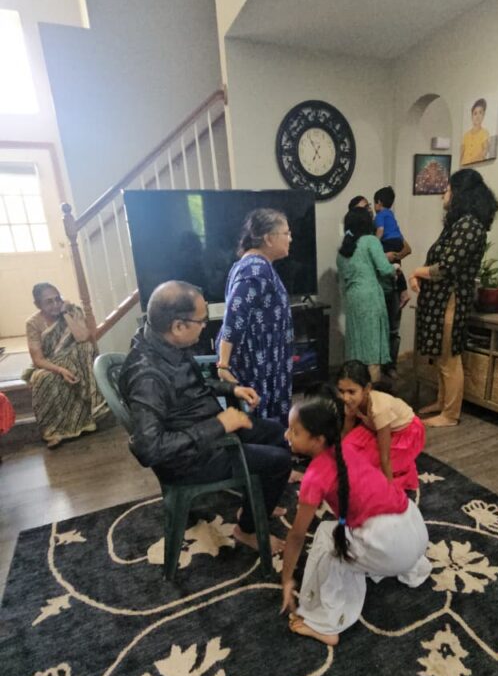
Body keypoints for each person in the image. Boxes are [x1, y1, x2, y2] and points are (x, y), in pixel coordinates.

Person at [120, 281, 291, 552]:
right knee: (280, 461)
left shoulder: (163, 342)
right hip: (190, 459)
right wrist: (219, 425)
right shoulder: (147, 377)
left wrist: (231, 389)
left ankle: (256, 504)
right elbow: (149, 449)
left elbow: (191, 386)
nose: (205, 326)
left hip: (206, 430)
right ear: (178, 326)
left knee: (278, 433)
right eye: (201, 321)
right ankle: (247, 530)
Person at [280, 396, 430, 645]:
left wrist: (287, 580)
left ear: (318, 440)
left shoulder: (315, 477)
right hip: (415, 534)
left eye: (294, 431)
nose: (287, 435)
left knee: (325, 535)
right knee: (347, 526)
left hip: (392, 548)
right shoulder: (348, 449)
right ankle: (402, 567)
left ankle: (325, 623)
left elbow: (296, 536)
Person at [409, 168, 498, 428]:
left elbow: (446, 268)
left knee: (449, 358)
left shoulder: (470, 226)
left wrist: (417, 271)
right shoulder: (458, 224)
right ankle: (442, 402)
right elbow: (439, 262)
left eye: (448, 189)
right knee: (441, 357)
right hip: (439, 300)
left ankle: (450, 414)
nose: (443, 195)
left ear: (460, 193)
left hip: (451, 300)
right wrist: (419, 275)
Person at [216, 209, 294, 424]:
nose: (290, 238)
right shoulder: (255, 267)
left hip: (264, 359)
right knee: (260, 422)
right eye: (286, 233)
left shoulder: (254, 265)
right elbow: (235, 313)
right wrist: (223, 365)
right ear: (268, 238)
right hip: (256, 364)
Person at [23, 283, 106, 448]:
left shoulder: (71, 311)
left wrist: (66, 313)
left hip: (75, 359)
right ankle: (54, 431)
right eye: (49, 302)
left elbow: (83, 338)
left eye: (58, 299)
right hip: (50, 363)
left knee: (86, 348)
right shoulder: (33, 323)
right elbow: (38, 359)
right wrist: (60, 370)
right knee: (44, 379)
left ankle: (86, 422)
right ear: (38, 304)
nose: (55, 304)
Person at [337, 360, 425, 491]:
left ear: (367, 389)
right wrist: (337, 461)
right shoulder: (351, 403)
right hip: (374, 427)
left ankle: (405, 474)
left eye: (351, 392)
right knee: (348, 451)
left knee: (370, 469)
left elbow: (385, 457)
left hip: (406, 433)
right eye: (341, 391)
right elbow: (345, 434)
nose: (345, 398)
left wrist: (388, 492)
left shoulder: (379, 409)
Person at [337, 206, 396, 383]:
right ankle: (370, 392)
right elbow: (385, 269)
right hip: (369, 298)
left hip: (352, 299)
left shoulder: (343, 250)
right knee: (372, 348)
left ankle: (354, 387)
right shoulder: (370, 241)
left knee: (356, 345)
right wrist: (394, 267)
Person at [373, 186, 412, 371]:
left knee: (392, 329)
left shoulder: (380, 218)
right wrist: (392, 257)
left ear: (378, 203)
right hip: (381, 285)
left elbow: (407, 248)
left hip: (389, 286)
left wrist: (387, 254)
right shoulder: (391, 216)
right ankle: (381, 367)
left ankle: (389, 367)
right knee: (397, 270)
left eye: (372, 205)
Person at [460, 98, 490, 166]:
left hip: (477, 165)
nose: (477, 116)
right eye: (475, 113)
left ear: (483, 115)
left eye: (480, 113)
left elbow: (485, 150)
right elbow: (462, 152)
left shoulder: (484, 133)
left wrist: (479, 159)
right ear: (472, 116)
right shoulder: (466, 135)